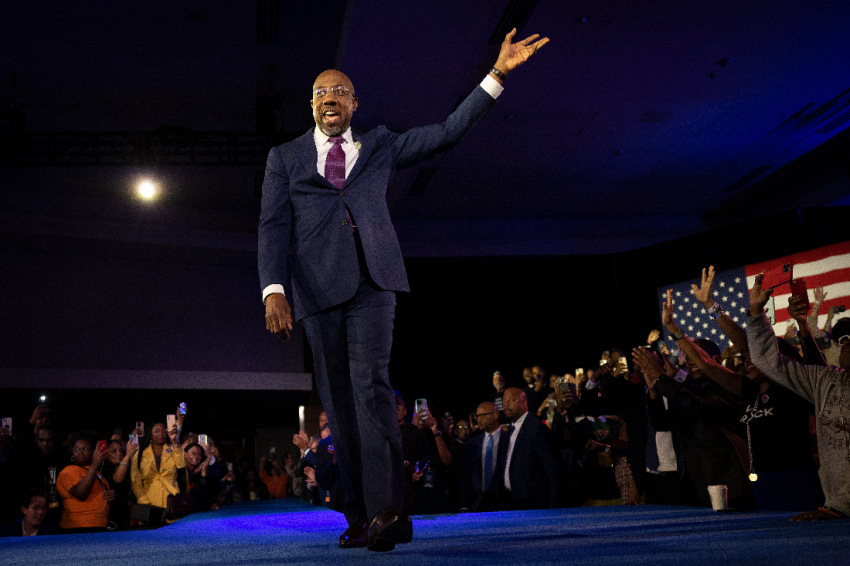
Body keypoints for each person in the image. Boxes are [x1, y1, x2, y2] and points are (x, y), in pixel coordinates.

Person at [259, 29, 548, 552]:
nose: (331, 98)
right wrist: (273, 289)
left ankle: (389, 512)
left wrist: (498, 73)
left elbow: (447, 132)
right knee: (340, 407)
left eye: (341, 91)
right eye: (323, 91)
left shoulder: (383, 144)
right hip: (316, 293)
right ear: (312, 104)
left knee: (371, 390)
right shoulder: (285, 157)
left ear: (354, 104)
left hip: (375, 285)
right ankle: (356, 515)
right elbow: (272, 226)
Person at [747, 273, 850, 520]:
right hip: (838, 511)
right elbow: (767, 361)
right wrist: (755, 315)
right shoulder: (826, 381)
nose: (846, 344)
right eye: (842, 339)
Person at [494, 388, 560, 510]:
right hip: (511, 504)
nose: (506, 405)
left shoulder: (536, 429)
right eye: (504, 401)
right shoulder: (508, 431)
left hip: (534, 506)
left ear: (524, 403)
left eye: (511, 400)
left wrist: (554, 505)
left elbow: (553, 469)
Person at [55, 433, 116, 531]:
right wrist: (95, 464)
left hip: (98, 525)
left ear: (93, 452)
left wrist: (113, 494)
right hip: (78, 527)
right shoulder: (69, 470)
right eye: (76, 449)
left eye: (85, 449)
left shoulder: (96, 472)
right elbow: (81, 493)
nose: (80, 452)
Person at [130, 421, 185, 516]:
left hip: (172, 499)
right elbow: (136, 481)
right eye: (157, 431)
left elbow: (181, 465)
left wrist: (173, 440)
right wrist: (143, 501)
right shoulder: (140, 454)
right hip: (150, 501)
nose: (161, 433)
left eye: (164, 431)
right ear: (150, 435)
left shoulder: (173, 449)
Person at [458, 402, 502, 512]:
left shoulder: (507, 438)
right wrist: (464, 504)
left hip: (503, 502)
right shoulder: (472, 443)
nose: (478, 420)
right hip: (478, 503)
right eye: (477, 416)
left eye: (482, 415)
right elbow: (465, 476)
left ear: (495, 415)